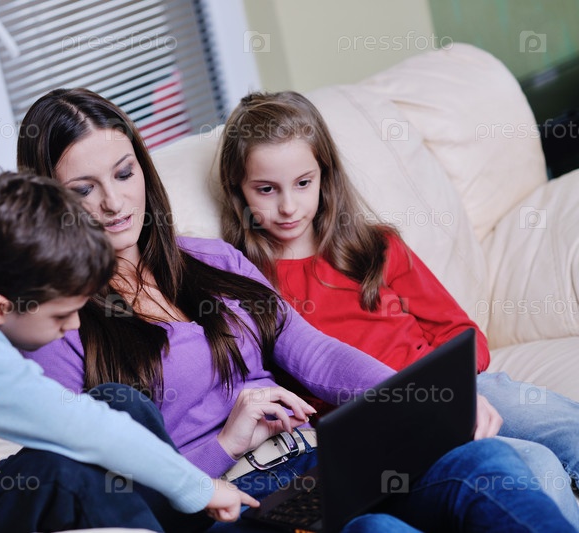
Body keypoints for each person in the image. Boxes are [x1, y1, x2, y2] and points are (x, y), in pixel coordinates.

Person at [17, 88, 575, 532]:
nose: (114, 203)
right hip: (233, 502)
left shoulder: (212, 259)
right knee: (378, 529)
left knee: (487, 467)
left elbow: (315, 353)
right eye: (83, 190)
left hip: (321, 458)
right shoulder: (56, 328)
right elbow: (116, 498)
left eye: (123, 173)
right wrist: (225, 443)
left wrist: (422, 404)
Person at [217, 90, 579, 525]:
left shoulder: (375, 245)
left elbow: (459, 331)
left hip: (453, 389)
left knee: (562, 427)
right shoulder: (247, 284)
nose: (288, 206)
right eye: (266, 190)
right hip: (383, 427)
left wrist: (449, 386)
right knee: (534, 464)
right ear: (238, 190)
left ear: (325, 176)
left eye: (303, 183)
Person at [0, 172, 257, 533]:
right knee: (62, 476)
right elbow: (85, 429)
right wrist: (200, 486)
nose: (74, 326)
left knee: (121, 401)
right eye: (60, 315)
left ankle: (183, 524)